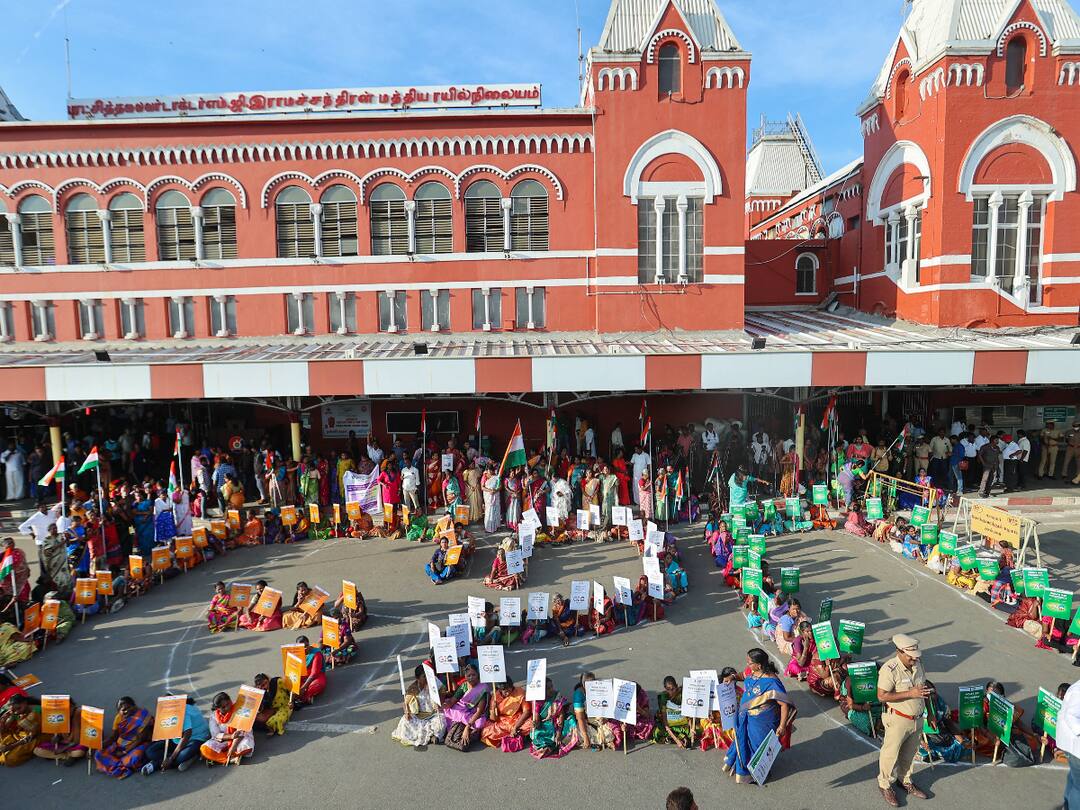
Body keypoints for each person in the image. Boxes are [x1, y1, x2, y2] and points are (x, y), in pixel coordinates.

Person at [876, 634, 931, 806]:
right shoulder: (889, 669)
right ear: (900, 651)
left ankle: (905, 780)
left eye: (916, 656)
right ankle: (885, 784)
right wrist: (910, 693)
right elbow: (881, 696)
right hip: (898, 720)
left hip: (917, 719)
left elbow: (923, 690)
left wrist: (932, 714)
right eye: (910, 656)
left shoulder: (919, 664)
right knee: (890, 754)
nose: (914, 659)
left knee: (909, 754)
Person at [141, 695, 209, 774]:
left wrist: (171, 758)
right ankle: (179, 760)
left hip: (196, 738)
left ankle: (156, 764)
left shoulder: (183, 711)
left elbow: (187, 734)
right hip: (177, 739)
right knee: (150, 751)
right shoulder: (166, 712)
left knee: (180, 757)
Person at [95, 696, 153, 779]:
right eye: (122, 710)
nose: (125, 711)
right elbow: (113, 737)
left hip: (138, 744)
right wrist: (98, 745)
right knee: (98, 753)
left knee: (134, 759)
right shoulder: (118, 718)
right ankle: (120, 765)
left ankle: (117, 764)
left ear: (134, 706)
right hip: (120, 745)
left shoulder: (143, 716)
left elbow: (141, 739)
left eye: (128, 708)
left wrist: (125, 752)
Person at [392, 665, 448, 748]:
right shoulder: (413, 688)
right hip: (418, 716)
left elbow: (443, 692)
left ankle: (434, 736)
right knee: (405, 722)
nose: (426, 678)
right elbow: (405, 703)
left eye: (427, 676)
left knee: (442, 721)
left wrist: (439, 702)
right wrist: (406, 712)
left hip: (433, 714)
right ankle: (429, 736)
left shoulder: (433, 681)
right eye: (424, 676)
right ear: (417, 678)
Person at [200, 692, 255, 766]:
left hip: (240, 739)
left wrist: (233, 747)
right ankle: (230, 759)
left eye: (228, 704)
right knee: (205, 748)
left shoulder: (240, 708)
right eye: (223, 707)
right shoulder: (214, 716)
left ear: (230, 700)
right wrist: (231, 736)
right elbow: (216, 734)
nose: (227, 707)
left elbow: (242, 730)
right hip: (224, 740)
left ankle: (218, 758)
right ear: (217, 708)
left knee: (247, 745)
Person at [442, 664, 490, 747]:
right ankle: (458, 728)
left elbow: (479, 712)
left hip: (474, 713)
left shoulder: (482, 689)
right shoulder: (464, 685)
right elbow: (453, 700)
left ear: (478, 674)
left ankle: (463, 728)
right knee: (445, 711)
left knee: (480, 723)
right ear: (465, 676)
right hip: (461, 710)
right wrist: (444, 705)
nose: (471, 678)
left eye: (473, 675)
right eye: (469, 676)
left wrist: (467, 727)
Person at [481, 678, 531, 749]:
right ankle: (518, 735)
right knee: (485, 731)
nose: (507, 693)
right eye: (505, 691)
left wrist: (516, 727)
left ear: (512, 687)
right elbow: (493, 719)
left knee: (531, 723)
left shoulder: (519, 692)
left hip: (518, 720)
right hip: (503, 722)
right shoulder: (495, 696)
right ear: (500, 690)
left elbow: (527, 711)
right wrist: (493, 709)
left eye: (509, 689)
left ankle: (517, 733)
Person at [1056, 679, 1080, 809]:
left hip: (1070, 743)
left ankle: (1067, 803)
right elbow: (1071, 716)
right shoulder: (1078, 690)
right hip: (1075, 746)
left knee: (1073, 776)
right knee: (1079, 786)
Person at [0, 694, 40, 766]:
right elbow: (4, 730)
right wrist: (3, 720)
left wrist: (11, 746)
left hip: (38, 736)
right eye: (14, 710)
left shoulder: (36, 711)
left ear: (25, 703)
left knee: (10, 759)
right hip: (22, 735)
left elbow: (31, 737)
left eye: (19, 708)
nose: (16, 712)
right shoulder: (15, 712)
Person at [653, 675, 693, 747]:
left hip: (683, 722)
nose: (671, 692)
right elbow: (665, 723)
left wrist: (691, 728)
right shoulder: (663, 697)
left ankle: (678, 737)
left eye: (673, 689)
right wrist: (676, 740)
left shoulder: (683, 694)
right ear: (665, 689)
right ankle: (682, 737)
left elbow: (689, 715)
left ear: (676, 686)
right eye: (668, 689)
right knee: (657, 732)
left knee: (696, 730)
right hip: (670, 723)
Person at [253, 673, 292, 737]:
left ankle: (272, 729)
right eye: (261, 686)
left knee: (274, 721)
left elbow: (291, 689)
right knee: (255, 720)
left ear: (268, 680)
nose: (264, 687)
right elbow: (262, 705)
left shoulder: (278, 682)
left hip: (284, 706)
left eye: (264, 684)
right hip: (272, 708)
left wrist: (291, 701)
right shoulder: (261, 690)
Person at [294, 635, 327, 706]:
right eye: (302, 647)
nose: (305, 648)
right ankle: (303, 697)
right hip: (303, 676)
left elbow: (314, 673)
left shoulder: (316, 653)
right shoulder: (296, 654)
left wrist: (304, 687)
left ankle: (304, 696)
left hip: (316, 676)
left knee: (319, 685)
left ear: (309, 644)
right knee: (288, 683)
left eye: (306, 645)